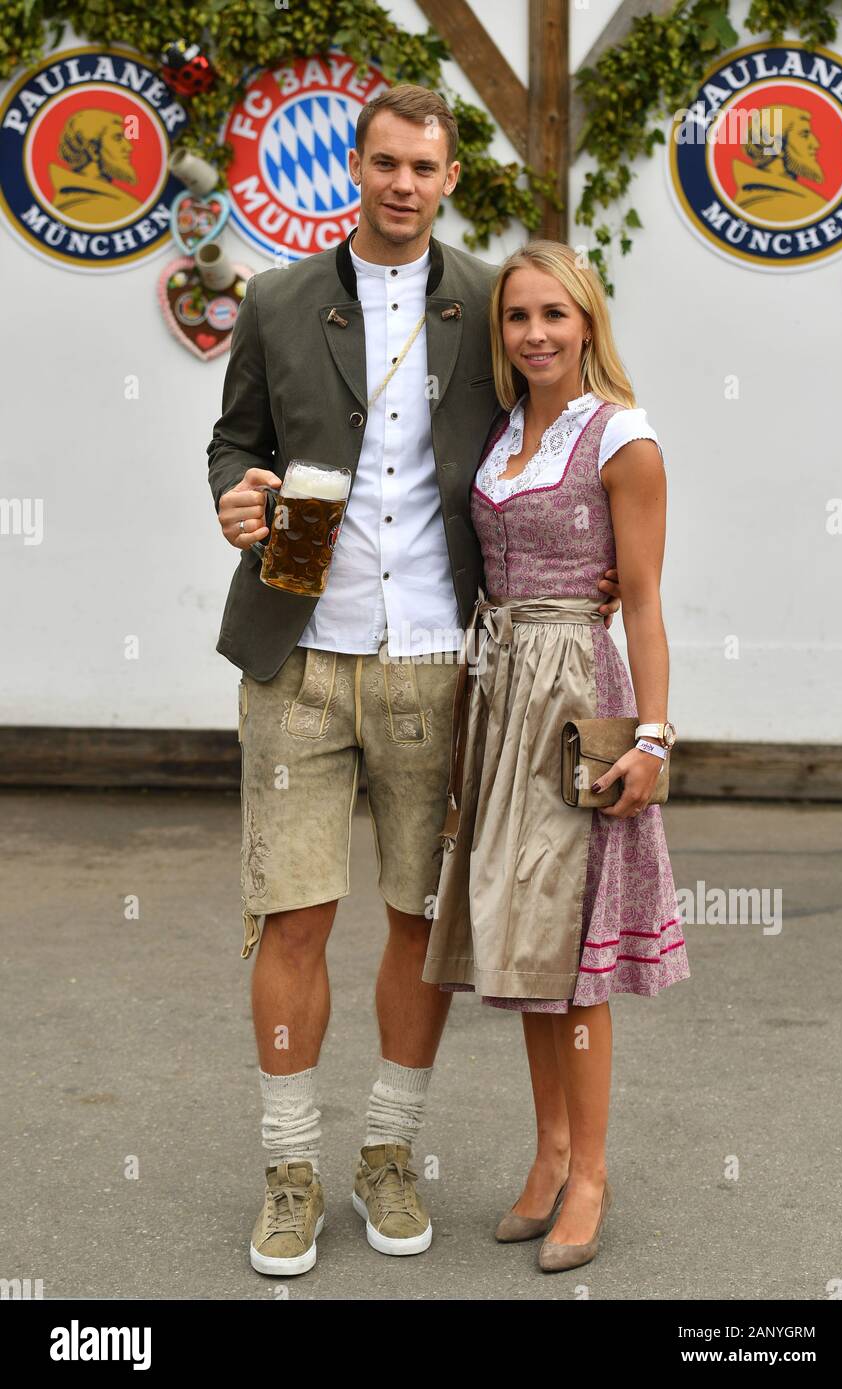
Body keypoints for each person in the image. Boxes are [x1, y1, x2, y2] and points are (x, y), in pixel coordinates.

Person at [207, 85, 622, 1278]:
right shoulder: (279, 300)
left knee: (418, 916)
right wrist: (235, 497)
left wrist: (582, 572)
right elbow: (237, 443)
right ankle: (290, 1168)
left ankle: (388, 1153)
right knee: (291, 913)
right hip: (295, 654)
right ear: (354, 163)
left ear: (449, 178)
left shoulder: (490, 301)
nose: (401, 184)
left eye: (422, 168)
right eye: (382, 163)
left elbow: (562, 415)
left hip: (440, 662)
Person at [422, 240, 689, 1274]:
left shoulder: (621, 437)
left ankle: (590, 1172)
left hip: (578, 692)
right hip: (498, 693)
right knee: (527, 942)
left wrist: (654, 735)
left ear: (587, 323)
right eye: (517, 318)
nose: (534, 334)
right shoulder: (500, 433)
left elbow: (647, 597)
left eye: (553, 316)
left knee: (574, 956)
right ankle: (547, 1155)